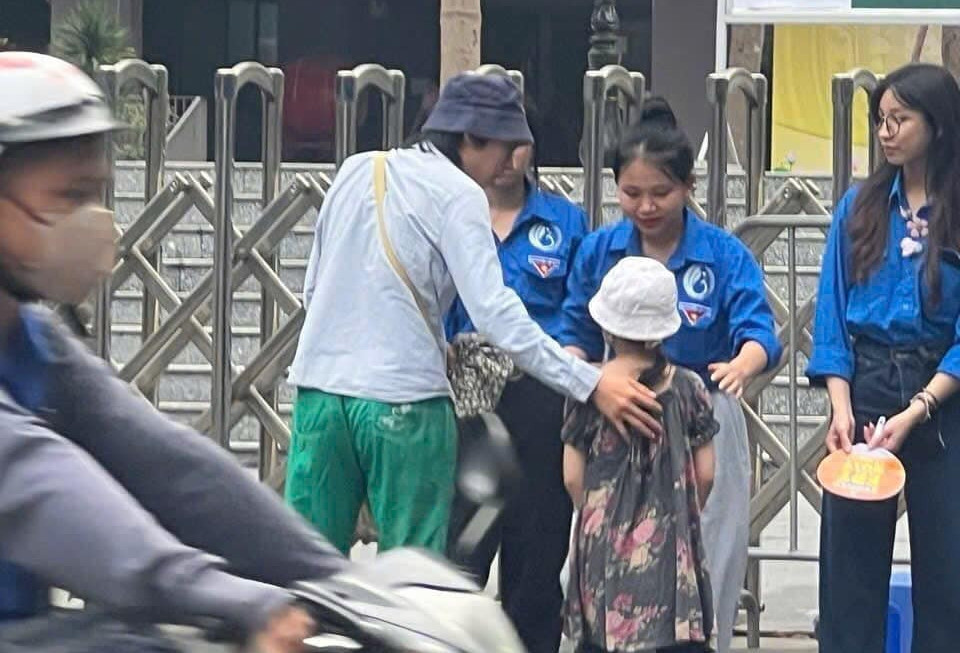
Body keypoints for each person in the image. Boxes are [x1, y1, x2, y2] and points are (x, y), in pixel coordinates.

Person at [0, 51, 347, 653]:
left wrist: (341, 587)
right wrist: (223, 595)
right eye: (68, 196)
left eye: (96, 195)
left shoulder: (34, 344)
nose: (91, 220)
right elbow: (38, 481)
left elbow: (173, 466)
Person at [285, 74, 662, 556]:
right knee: (412, 572)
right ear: (468, 138)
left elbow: (313, 288)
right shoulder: (460, 194)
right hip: (404, 405)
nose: (509, 163)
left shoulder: (357, 169)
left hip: (319, 396)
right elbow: (494, 313)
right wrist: (588, 383)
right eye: (505, 148)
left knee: (305, 564)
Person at [558, 97, 782, 653]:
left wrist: (742, 364)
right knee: (599, 557)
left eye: (660, 192)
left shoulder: (721, 254)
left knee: (708, 553)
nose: (646, 206)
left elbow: (760, 331)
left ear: (688, 186)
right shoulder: (599, 250)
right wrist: (582, 374)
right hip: (613, 408)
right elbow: (573, 330)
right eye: (631, 193)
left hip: (701, 412)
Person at [808, 62, 960, 653]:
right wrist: (840, 405)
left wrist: (920, 407)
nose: (886, 131)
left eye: (900, 118)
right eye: (880, 119)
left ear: (938, 125)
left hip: (941, 396)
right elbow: (832, 311)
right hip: (866, 387)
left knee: (947, 569)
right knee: (849, 572)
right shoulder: (859, 207)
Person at [443, 114, 589, 653]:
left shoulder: (567, 222)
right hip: (467, 399)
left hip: (544, 395)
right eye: (491, 143)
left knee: (536, 560)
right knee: (459, 554)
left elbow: (580, 304)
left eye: (517, 144)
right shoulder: (451, 216)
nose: (506, 157)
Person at [562, 256, 717, 653]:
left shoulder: (587, 389)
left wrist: (598, 514)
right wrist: (680, 511)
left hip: (603, 547)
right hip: (670, 543)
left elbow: (572, 476)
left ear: (607, 326)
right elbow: (706, 473)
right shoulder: (690, 388)